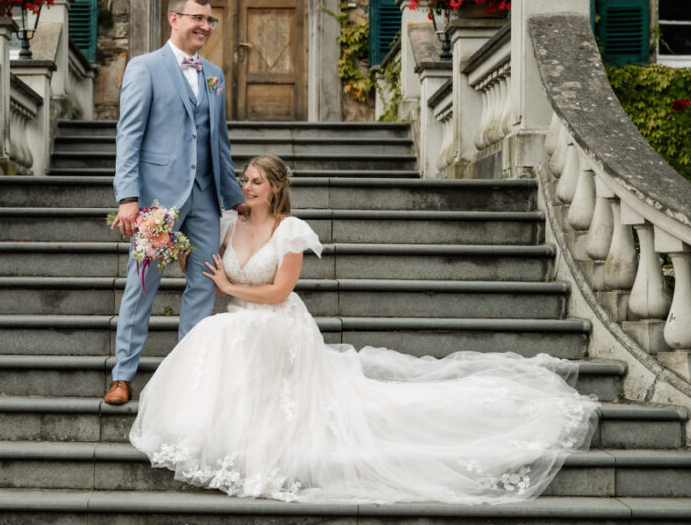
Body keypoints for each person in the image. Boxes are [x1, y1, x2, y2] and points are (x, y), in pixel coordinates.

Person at [130, 154, 600, 504]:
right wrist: (164, 240)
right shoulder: (228, 223)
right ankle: (218, 437)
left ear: (275, 188)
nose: (246, 186)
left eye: (256, 181)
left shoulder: (289, 230)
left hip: (278, 322)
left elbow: (278, 292)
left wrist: (231, 285)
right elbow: (200, 264)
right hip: (241, 320)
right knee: (217, 336)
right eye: (244, 179)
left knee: (234, 335)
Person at [106, 0, 244, 405]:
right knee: (141, 285)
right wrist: (127, 197)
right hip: (156, 201)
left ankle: (187, 375)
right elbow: (128, 134)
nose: (204, 26)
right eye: (197, 18)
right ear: (174, 19)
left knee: (203, 285)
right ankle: (122, 375)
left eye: (210, 20)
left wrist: (234, 197)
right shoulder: (145, 67)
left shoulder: (215, 74)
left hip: (205, 197)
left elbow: (219, 141)